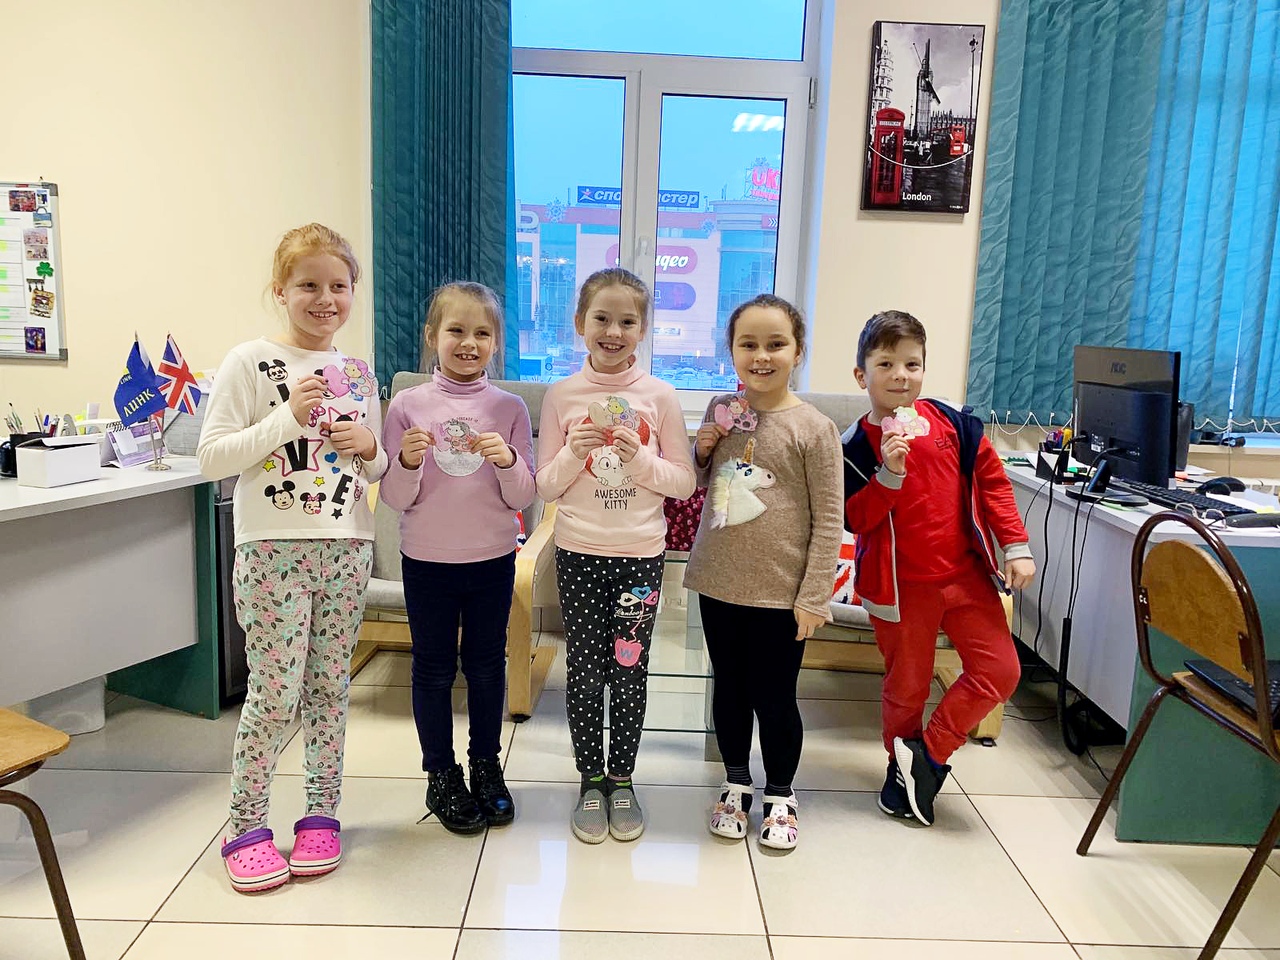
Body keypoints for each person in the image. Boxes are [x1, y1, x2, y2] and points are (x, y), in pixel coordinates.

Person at [198, 223, 388, 892]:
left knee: (329, 689)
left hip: (347, 547)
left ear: (354, 291)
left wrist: (370, 446)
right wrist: (286, 420)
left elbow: (378, 467)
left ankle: (321, 814)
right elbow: (212, 457)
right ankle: (246, 825)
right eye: (309, 284)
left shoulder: (358, 372)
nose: (325, 299)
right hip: (272, 549)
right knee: (274, 694)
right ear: (280, 290)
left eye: (339, 285)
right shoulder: (251, 361)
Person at [843, 310, 1035, 826]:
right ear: (862, 375)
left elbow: (993, 484)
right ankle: (898, 770)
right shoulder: (854, 444)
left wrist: (1015, 544)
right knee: (907, 687)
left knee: (1001, 670)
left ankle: (928, 756)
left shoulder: (955, 425)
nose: (900, 376)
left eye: (912, 364)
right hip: (900, 589)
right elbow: (855, 518)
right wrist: (890, 472)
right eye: (886, 364)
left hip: (966, 577)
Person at [536, 267, 696, 843]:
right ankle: (591, 779)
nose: (613, 332)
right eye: (601, 319)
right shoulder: (561, 395)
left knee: (629, 669)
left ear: (643, 329)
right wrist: (573, 454)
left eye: (627, 321)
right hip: (579, 553)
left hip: (640, 558)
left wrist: (639, 460)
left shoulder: (660, 396)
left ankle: (622, 779)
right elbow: (543, 485)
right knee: (584, 672)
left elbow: (683, 482)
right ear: (580, 323)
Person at [683, 294, 843, 851]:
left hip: (782, 592)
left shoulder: (815, 428)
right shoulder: (721, 409)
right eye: (748, 344)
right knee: (729, 690)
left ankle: (780, 792)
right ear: (731, 351)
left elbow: (830, 519)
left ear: (797, 351)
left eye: (776, 344)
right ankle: (735, 783)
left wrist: (814, 595)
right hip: (719, 580)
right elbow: (703, 487)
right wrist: (701, 453)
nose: (761, 355)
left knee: (775, 695)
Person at [379, 282, 535, 834]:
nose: (469, 343)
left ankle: (486, 766)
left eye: (482, 333)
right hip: (426, 561)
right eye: (456, 330)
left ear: (496, 342)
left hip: (493, 558)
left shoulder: (509, 408)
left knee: (487, 665)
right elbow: (393, 498)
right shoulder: (407, 405)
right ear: (432, 336)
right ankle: (441, 773)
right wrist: (406, 461)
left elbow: (524, 495)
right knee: (433, 667)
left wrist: (508, 459)